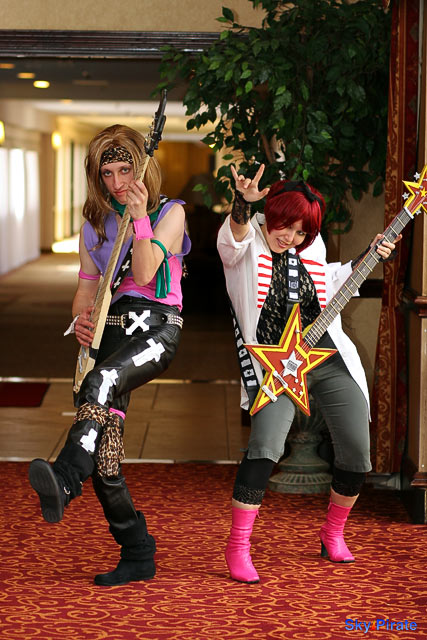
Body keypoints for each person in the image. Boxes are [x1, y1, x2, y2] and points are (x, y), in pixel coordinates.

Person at [217, 163, 400, 583]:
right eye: (286, 225)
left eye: (301, 231)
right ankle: (238, 546)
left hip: (326, 355)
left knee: (357, 452)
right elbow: (234, 237)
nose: (291, 237)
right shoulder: (246, 243)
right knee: (264, 448)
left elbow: (330, 282)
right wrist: (242, 202)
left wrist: (369, 255)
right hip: (277, 366)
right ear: (272, 214)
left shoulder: (310, 248)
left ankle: (332, 533)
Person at [29, 124, 190, 586]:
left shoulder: (171, 213)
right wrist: (80, 320)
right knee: (106, 459)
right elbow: (85, 291)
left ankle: (65, 476)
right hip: (107, 336)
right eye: (107, 173)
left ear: (142, 169)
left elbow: (144, 270)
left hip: (157, 330)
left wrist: (139, 217)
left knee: (100, 383)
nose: (117, 183)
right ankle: (137, 551)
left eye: (125, 170)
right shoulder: (94, 227)